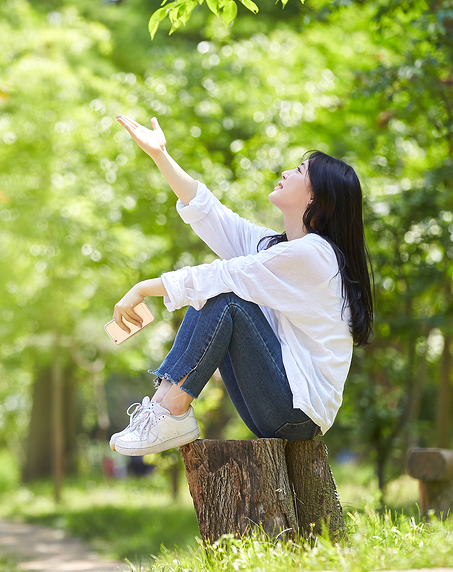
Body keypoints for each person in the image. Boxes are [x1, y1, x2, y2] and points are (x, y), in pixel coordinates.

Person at [109, 115, 374, 456]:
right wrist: (161, 154)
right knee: (219, 292)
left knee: (225, 297)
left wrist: (142, 288)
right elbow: (212, 216)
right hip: (280, 404)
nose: (285, 173)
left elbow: (223, 277)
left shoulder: (315, 256)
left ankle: (169, 411)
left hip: (296, 414)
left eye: (298, 171)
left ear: (316, 199)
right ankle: (163, 410)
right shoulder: (280, 248)